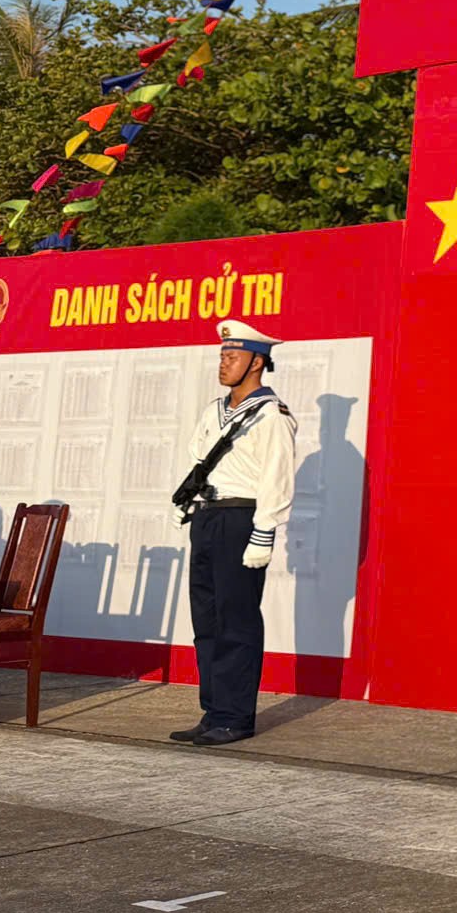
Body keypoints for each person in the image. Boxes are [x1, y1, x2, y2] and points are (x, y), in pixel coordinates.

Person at [171, 319, 299, 745]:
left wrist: (264, 531)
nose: (224, 363)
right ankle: (214, 710)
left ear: (257, 362)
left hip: (242, 520)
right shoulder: (215, 409)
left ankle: (236, 716)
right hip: (209, 517)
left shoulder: (271, 415)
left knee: (237, 619)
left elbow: (276, 477)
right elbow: (199, 457)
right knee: (206, 618)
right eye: (222, 355)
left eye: (233, 356)